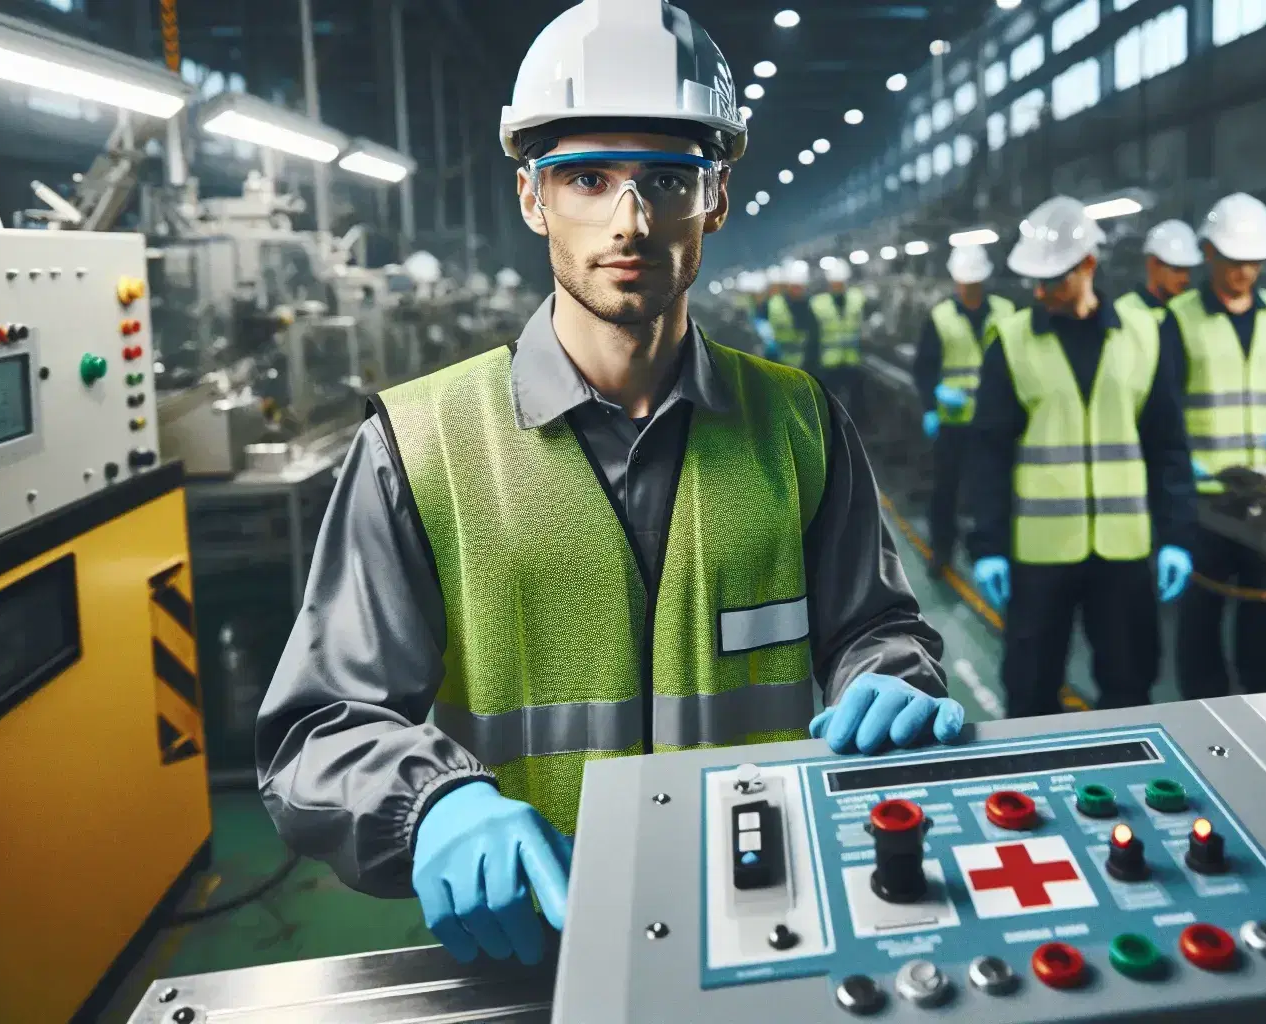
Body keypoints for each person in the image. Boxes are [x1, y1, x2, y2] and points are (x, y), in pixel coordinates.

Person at [256, 0, 964, 971]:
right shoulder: (421, 446)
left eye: (668, 180)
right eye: (587, 178)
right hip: (537, 947)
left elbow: (871, 628)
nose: (630, 221)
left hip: (770, 926)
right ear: (531, 198)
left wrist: (892, 678)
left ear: (715, 197)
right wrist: (432, 804)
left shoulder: (798, 421)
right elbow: (317, 731)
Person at [967, 197, 1197, 719]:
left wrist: (1177, 537)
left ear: (1089, 264)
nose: (1041, 292)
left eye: (1053, 280)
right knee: (1029, 689)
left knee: (1130, 685)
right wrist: (988, 545)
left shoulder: (1143, 337)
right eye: (1036, 282)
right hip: (1040, 555)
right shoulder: (1012, 342)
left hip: (1123, 554)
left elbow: (1167, 448)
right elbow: (989, 455)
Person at [1165, 193, 1266, 701]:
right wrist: (1180, 459)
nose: (1244, 272)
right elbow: (1163, 402)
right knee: (1200, 620)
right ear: (1208, 254)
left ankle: (1260, 700)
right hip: (1205, 496)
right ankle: (1202, 707)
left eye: (1253, 262)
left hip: (1265, 495)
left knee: (1262, 613)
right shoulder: (1180, 319)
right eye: (1234, 261)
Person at [912, 243, 1015, 573]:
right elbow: (924, 368)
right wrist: (932, 403)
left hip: (994, 420)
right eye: (964, 282)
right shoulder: (940, 317)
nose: (969, 287)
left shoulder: (1007, 312)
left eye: (974, 282)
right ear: (957, 282)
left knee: (992, 488)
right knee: (946, 489)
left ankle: (990, 549)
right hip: (953, 423)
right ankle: (941, 549)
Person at [1113, 219, 1201, 326]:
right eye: (1177, 269)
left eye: (1187, 270)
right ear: (1153, 264)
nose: (1185, 278)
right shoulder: (1124, 313)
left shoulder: (1190, 313)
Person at [811, 259, 867, 410]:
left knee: (856, 403)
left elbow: (862, 323)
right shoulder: (818, 303)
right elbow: (814, 336)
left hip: (852, 361)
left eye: (840, 283)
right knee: (831, 404)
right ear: (829, 283)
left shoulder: (857, 298)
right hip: (829, 363)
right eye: (835, 283)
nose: (838, 287)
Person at [764, 260, 816, 366]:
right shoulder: (774, 304)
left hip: (808, 363)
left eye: (799, 287)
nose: (797, 290)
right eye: (794, 286)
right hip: (782, 363)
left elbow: (814, 335)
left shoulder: (811, 304)